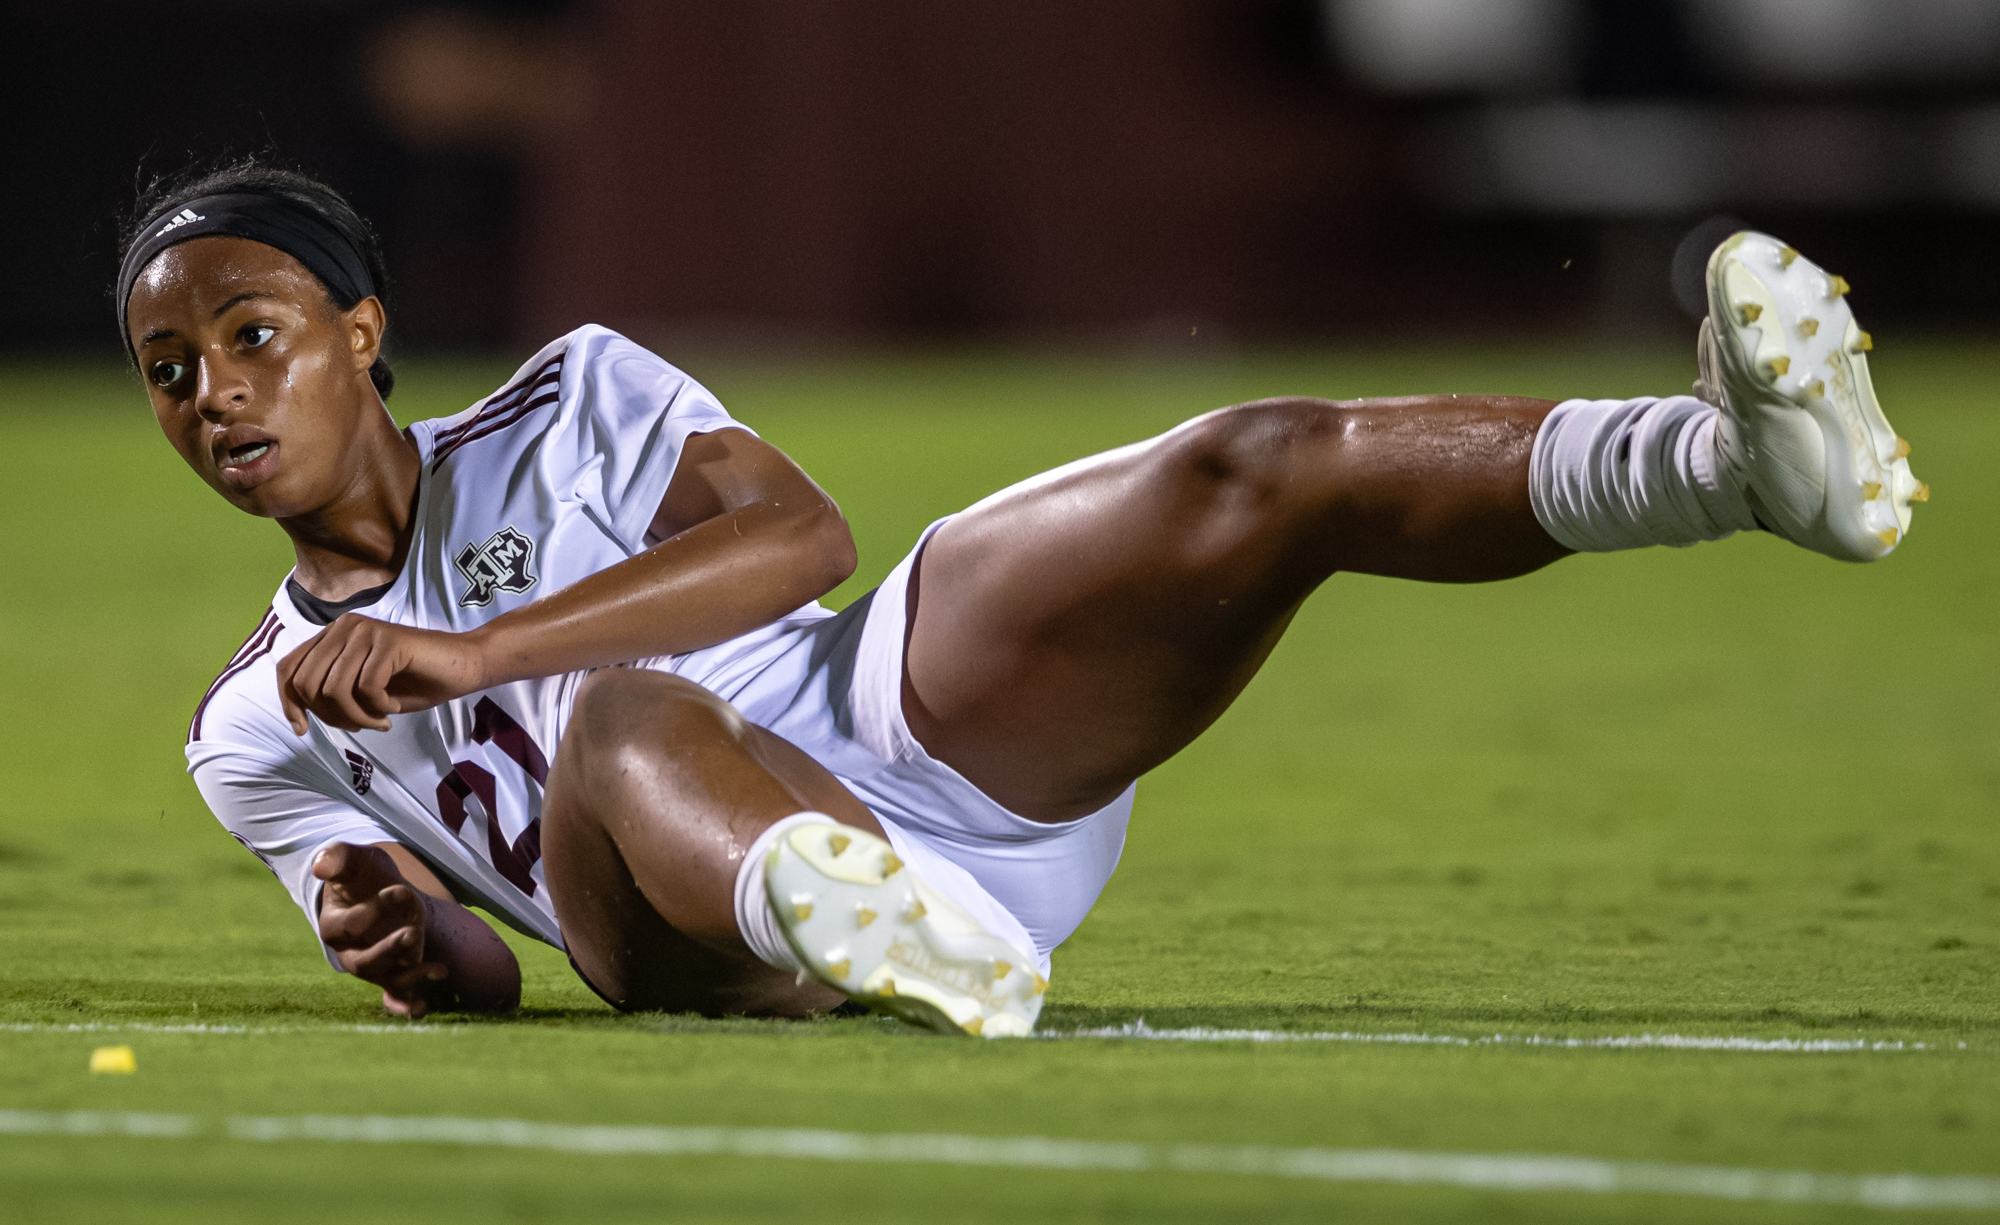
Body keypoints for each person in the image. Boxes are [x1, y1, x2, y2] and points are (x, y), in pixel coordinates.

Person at [124, 159, 1924, 1037]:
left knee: (1251, 464)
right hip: (692, 929)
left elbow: (807, 542)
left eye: (251, 335)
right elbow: (467, 977)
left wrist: (481, 646)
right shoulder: (246, 724)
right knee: (624, 721)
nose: (214, 392)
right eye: (168, 368)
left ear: (360, 337)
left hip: (896, 729)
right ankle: (852, 918)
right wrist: (389, 937)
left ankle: (1730, 466)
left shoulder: (570, 393)